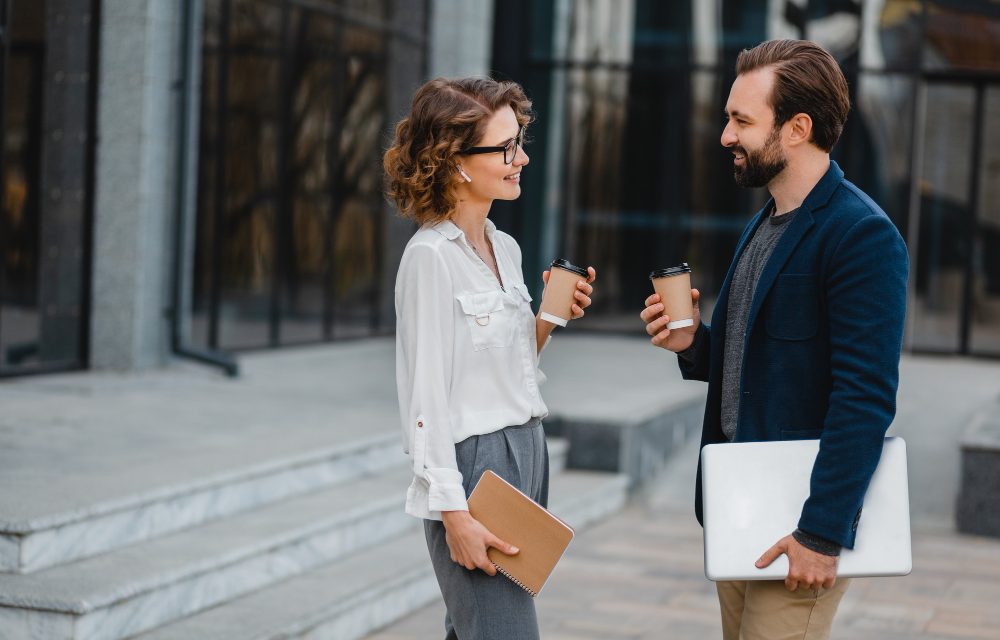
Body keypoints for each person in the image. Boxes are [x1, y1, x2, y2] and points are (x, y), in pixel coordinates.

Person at [639, 39, 908, 639]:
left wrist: (822, 533)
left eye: (741, 120)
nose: (724, 136)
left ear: (797, 128)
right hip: (743, 509)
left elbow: (865, 397)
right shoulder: (766, 222)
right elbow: (761, 363)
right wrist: (693, 344)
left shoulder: (862, 236)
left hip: (799, 526)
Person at [385, 77, 596, 640]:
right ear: (454, 160)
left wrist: (549, 317)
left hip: (525, 450)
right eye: (505, 148)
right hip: (475, 466)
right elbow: (425, 397)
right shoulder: (429, 258)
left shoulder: (504, 247)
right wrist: (453, 514)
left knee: (476, 627)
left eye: (518, 141)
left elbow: (510, 366)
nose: (521, 157)